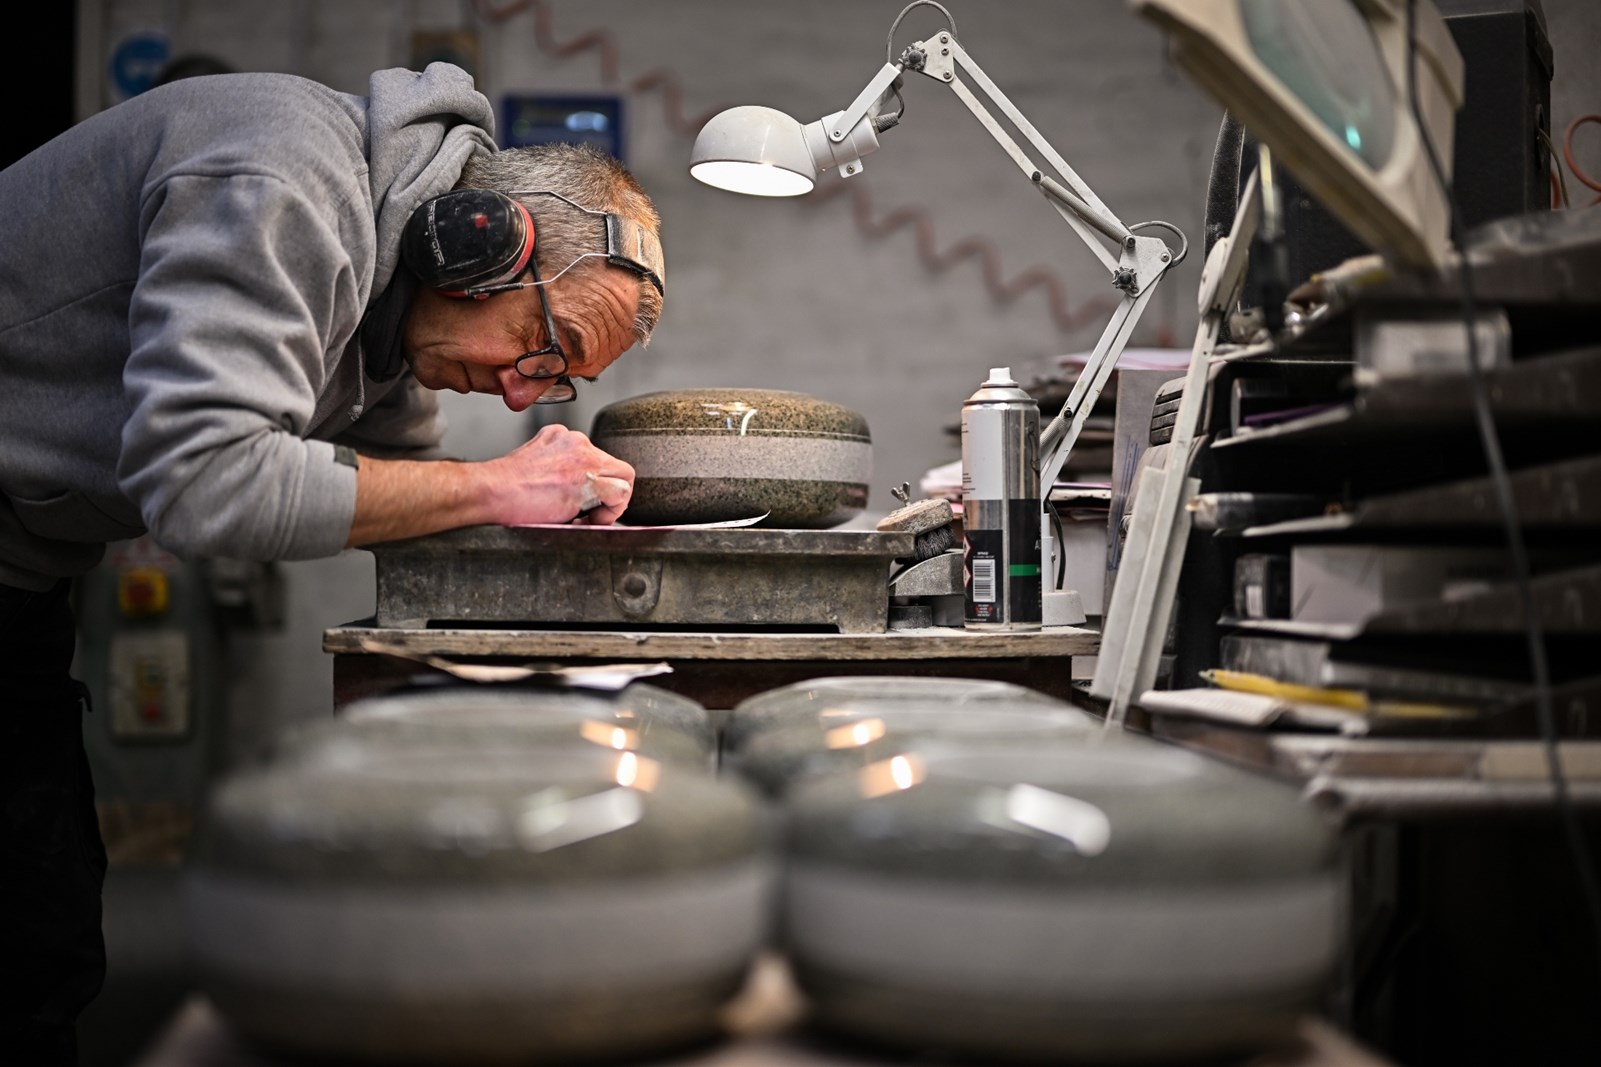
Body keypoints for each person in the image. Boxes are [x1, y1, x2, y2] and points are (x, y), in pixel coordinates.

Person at [0, 61, 663, 1064]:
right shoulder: (282, 180)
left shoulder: (392, 312)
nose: (525, 396)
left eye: (558, 382)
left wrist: (562, 535)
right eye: (543, 345)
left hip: (23, 574)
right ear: (480, 235)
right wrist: (497, 487)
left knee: (41, 939)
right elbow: (205, 481)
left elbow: (408, 486)